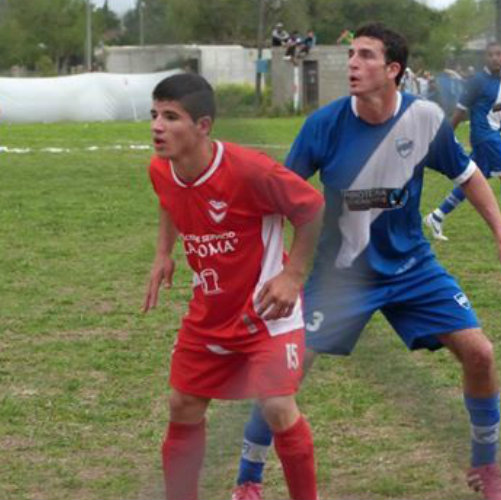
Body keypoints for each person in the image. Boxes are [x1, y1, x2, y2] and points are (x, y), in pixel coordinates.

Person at [232, 23, 501, 500]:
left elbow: (470, 175)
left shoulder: (424, 120)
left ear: (393, 70)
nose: (353, 64)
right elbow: (281, 196)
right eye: (352, 55)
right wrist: (278, 270)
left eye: (366, 56)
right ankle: (248, 478)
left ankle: (487, 468)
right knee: (283, 371)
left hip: (411, 266)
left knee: (480, 353)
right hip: (338, 274)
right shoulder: (324, 126)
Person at [143, 73, 324, 500]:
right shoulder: (161, 169)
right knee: (183, 405)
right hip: (210, 312)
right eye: (154, 115)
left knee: (278, 407)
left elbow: (313, 209)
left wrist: (293, 275)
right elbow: (170, 199)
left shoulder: (249, 169)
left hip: (268, 312)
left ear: (203, 126)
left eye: (171, 117)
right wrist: (163, 253)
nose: (157, 126)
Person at [425, 42, 501, 241]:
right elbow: (459, 112)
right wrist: (444, 138)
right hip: (484, 136)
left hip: (492, 135)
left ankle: (437, 216)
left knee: (471, 179)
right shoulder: (476, 82)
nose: (494, 58)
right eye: (490, 55)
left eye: (498, 54)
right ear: (485, 58)